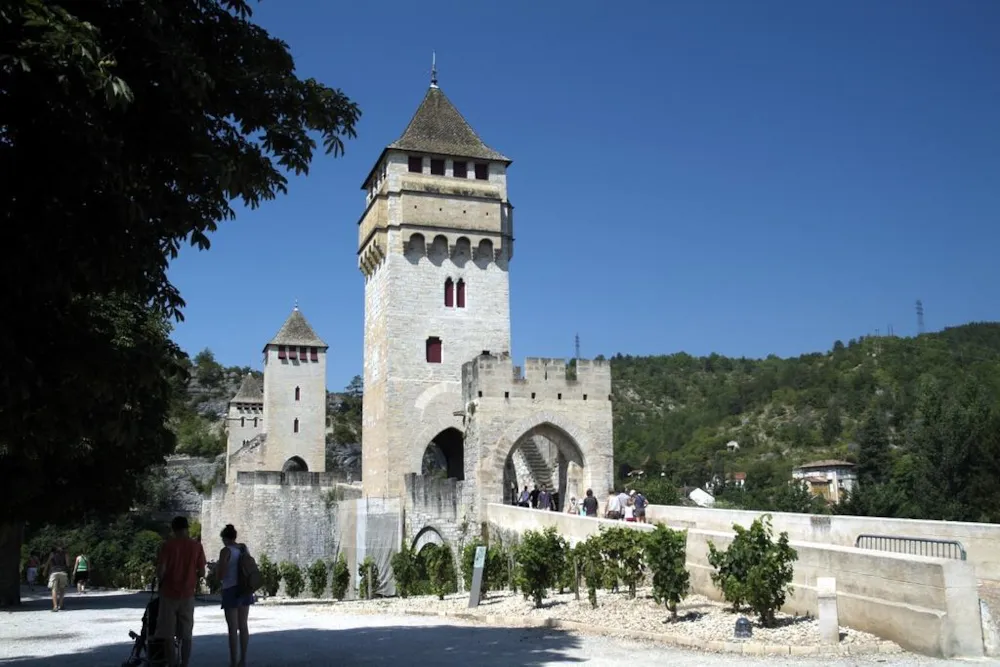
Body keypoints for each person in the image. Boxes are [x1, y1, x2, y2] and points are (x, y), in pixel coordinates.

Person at [155, 516, 207, 667]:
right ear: (187, 528)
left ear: (174, 529)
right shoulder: (197, 546)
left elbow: (161, 572)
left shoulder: (167, 546)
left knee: (168, 634)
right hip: (188, 593)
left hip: (169, 594)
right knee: (186, 634)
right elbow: (202, 572)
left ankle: (172, 664)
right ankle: (185, 664)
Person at [218, 524, 254, 667]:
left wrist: (215, 569)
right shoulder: (243, 548)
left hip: (230, 589)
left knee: (233, 628)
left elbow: (221, 575)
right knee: (243, 625)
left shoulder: (226, 551)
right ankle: (243, 660)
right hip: (245, 588)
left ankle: (233, 661)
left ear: (225, 538)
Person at [44, 546, 69, 611]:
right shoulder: (65, 553)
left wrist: (45, 570)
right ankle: (60, 605)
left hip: (54, 572)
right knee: (62, 589)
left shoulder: (52, 554)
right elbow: (68, 564)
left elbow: (48, 562)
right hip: (63, 572)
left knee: (54, 589)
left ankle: (55, 606)